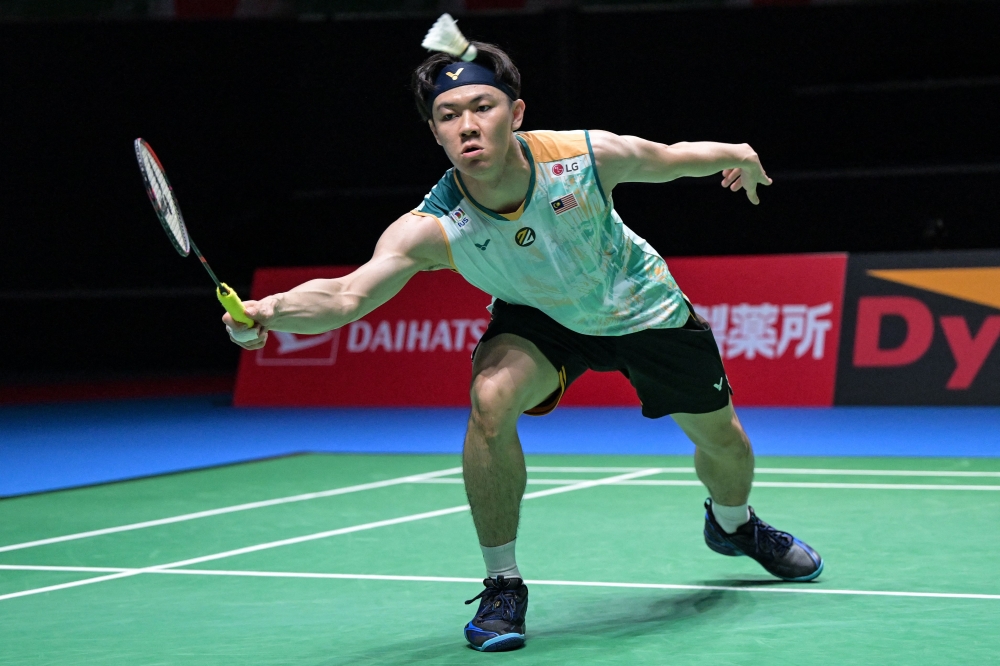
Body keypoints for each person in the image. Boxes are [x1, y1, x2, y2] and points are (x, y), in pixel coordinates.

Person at [224, 35, 823, 654]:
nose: (467, 125)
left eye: (481, 107)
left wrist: (741, 154)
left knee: (724, 441)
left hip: (641, 307)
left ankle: (733, 525)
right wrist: (269, 310)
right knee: (490, 401)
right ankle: (503, 583)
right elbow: (348, 295)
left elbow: (670, 158)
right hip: (541, 318)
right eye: (448, 115)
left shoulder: (583, 157)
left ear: (515, 113)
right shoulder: (434, 225)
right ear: (434, 133)